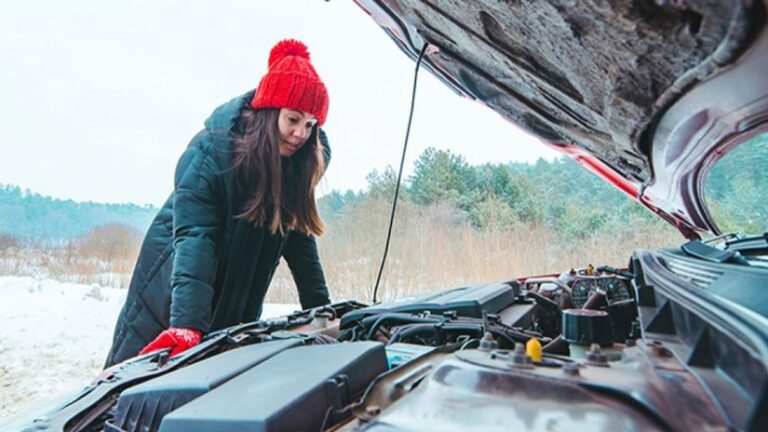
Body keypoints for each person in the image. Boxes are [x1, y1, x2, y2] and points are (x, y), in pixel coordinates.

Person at [104, 39, 332, 367]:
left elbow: (298, 240)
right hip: (172, 292)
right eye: (293, 119)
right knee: (135, 388)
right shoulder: (213, 154)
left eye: (310, 125)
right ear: (270, 112)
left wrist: (321, 308)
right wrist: (185, 324)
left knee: (213, 380)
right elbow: (197, 237)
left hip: (236, 293)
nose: (300, 134)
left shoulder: (294, 166)